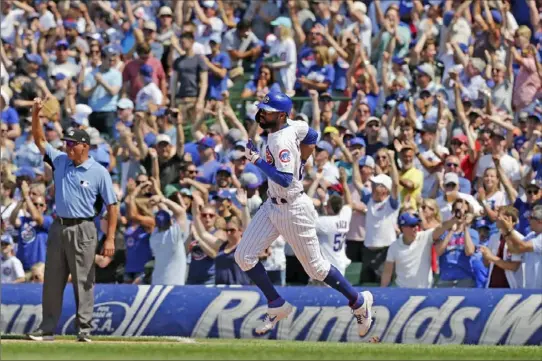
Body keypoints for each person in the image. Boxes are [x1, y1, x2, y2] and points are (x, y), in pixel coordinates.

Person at [234, 92, 373, 336]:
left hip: (293, 207)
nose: (261, 114)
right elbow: (312, 134)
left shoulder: (281, 142)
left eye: (266, 111)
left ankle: (358, 301)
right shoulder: (293, 126)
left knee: (317, 270)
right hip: (272, 205)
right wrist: (305, 156)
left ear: (281, 115)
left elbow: (286, 179)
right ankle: (276, 304)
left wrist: (257, 159)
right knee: (244, 256)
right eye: (262, 109)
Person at [27, 98, 118, 342]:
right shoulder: (59, 161)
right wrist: (36, 115)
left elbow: (112, 206)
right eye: (66, 143)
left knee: (84, 280)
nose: (68, 147)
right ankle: (47, 329)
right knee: (53, 280)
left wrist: (109, 238)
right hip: (59, 226)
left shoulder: (99, 171)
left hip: (85, 227)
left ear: (84, 146)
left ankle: (85, 329)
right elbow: (39, 140)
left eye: (72, 144)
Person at [381, 212, 457, 288]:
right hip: (402, 290)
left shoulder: (425, 236)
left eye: (417, 224)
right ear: (403, 228)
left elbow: (441, 227)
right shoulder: (394, 246)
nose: (416, 227)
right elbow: (387, 272)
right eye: (412, 225)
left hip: (425, 290)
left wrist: (454, 219)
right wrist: (383, 290)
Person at [315, 168, 353, 276]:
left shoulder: (324, 222)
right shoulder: (344, 217)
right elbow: (349, 203)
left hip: (327, 269)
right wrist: (344, 183)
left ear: (330, 207)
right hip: (340, 266)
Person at [149, 193, 189, 286]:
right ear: (171, 221)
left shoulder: (154, 237)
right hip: (174, 285)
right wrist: (163, 200)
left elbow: (163, 214)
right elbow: (181, 212)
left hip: (156, 283)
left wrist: (158, 201)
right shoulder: (173, 236)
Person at [504, 205, 542, 290]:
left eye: (531, 217)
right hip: (531, 289)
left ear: (540, 221)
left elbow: (522, 246)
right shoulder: (531, 235)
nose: (528, 220)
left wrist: (510, 229)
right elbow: (514, 249)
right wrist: (506, 231)